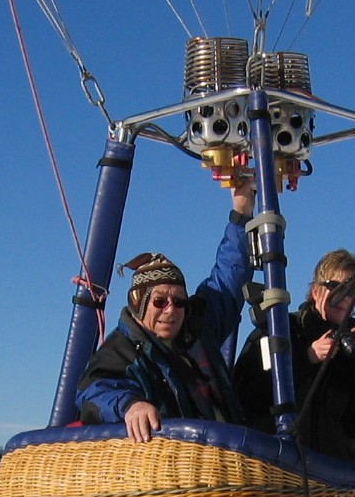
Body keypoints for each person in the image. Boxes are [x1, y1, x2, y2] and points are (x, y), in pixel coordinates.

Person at [75, 183, 254, 442]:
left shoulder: (198, 328)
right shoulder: (120, 351)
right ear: (138, 303)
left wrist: (241, 212)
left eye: (179, 302)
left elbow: (229, 277)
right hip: (167, 465)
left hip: (222, 457)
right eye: (160, 302)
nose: (171, 310)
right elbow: (93, 390)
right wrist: (130, 405)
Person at [234, 248, 355, 459]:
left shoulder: (353, 352)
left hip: (330, 475)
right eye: (337, 288)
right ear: (315, 291)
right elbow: (245, 395)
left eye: (353, 291)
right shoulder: (278, 329)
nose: (345, 298)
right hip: (277, 467)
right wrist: (306, 358)